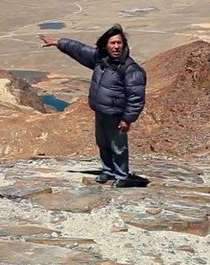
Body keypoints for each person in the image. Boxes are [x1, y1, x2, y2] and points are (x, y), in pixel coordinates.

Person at [39, 24, 147, 188]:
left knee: (118, 146)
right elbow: (80, 49)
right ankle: (108, 171)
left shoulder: (130, 69)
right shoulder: (101, 60)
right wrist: (58, 42)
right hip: (101, 111)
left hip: (116, 114)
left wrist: (127, 119)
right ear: (105, 45)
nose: (116, 46)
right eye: (112, 43)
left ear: (124, 45)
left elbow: (136, 97)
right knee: (102, 142)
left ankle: (122, 176)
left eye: (119, 43)